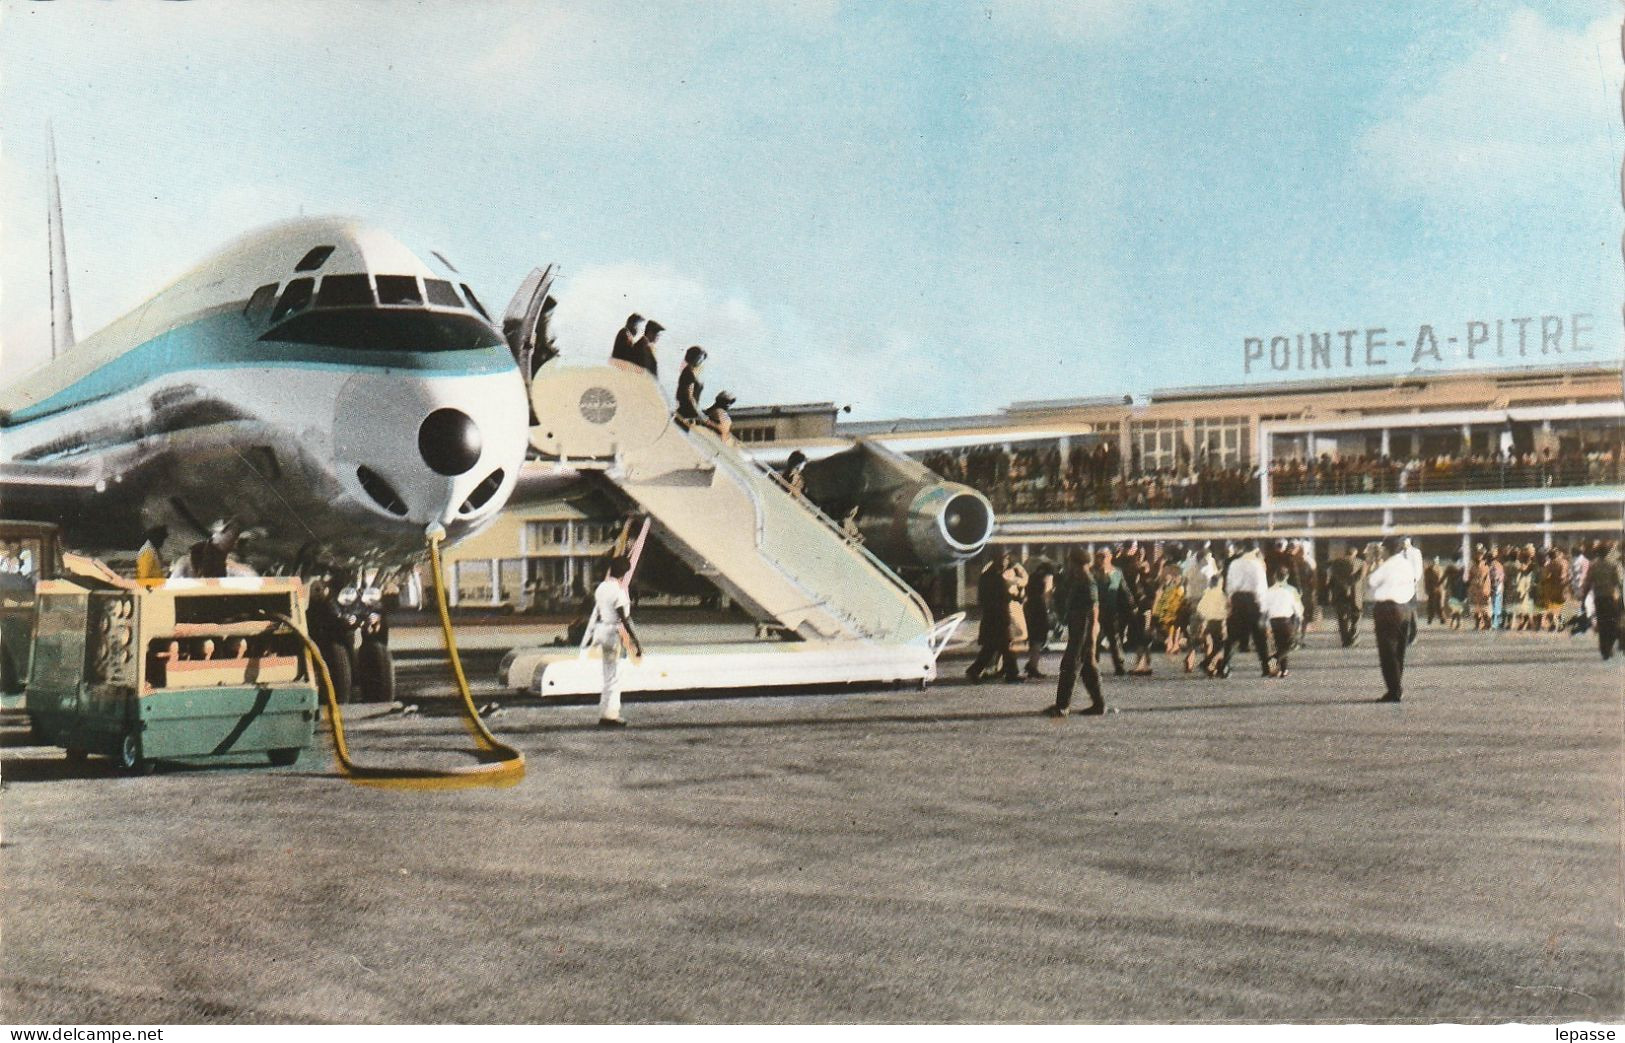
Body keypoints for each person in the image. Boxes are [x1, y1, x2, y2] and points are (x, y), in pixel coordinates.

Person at [1044, 549, 1106, 717]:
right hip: (1078, 628)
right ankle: (1099, 705)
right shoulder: (1079, 580)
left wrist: (1092, 641)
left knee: (1070, 666)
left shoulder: (1088, 581)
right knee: (1087, 668)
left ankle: (1062, 706)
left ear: (1076, 562)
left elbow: (1094, 611)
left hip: (1083, 630)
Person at [592, 556, 644, 727]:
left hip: (602, 630)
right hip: (614, 632)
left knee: (607, 674)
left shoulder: (601, 587)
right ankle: (611, 715)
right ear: (624, 572)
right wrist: (636, 640)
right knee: (615, 676)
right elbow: (625, 618)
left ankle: (604, 712)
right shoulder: (619, 591)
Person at [1367, 536, 1417, 702]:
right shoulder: (1407, 565)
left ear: (1387, 549)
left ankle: (1394, 691)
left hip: (1387, 609)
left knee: (1388, 651)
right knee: (1399, 651)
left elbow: (1372, 580)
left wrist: (1375, 564)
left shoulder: (1388, 565)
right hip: (1405, 609)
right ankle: (1397, 686)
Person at [967, 550, 1021, 683]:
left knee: (993, 647)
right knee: (1003, 646)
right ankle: (1011, 674)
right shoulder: (993, 577)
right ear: (996, 560)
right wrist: (1014, 596)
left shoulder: (991, 575)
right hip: (997, 617)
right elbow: (998, 596)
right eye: (1003, 559)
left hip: (995, 617)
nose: (1005, 562)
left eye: (1006, 559)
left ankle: (976, 671)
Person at [1223, 540, 1269, 676]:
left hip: (1237, 600)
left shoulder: (1234, 563)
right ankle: (1266, 667)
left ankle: (1224, 666)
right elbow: (1260, 587)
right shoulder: (1257, 565)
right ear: (1255, 550)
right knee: (1260, 638)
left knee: (1231, 637)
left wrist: (1230, 601)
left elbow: (1229, 585)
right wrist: (1262, 606)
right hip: (1252, 601)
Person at [1579, 540, 1622, 660]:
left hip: (1599, 598)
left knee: (1602, 624)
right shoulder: (1613, 565)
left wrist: (1583, 600)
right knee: (1612, 624)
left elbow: (1587, 583)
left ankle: (1604, 649)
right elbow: (1618, 583)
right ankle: (1608, 647)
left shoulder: (1593, 565)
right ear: (1608, 552)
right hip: (1611, 598)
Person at [1260, 568, 1304, 678]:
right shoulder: (1291, 591)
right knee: (1290, 645)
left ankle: (1284, 670)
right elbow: (1298, 608)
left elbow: (1263, 609)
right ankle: (1272, 660)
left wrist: (1266, 624)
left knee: (1280, 645)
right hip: (1286, 621)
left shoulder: (1268, 591)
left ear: (1275, 577)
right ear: (1287, 576)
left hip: (1272, 621)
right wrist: (1300, 618)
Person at [1093, 547, 1128, 676]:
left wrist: (1132, 605)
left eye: (1104, 556)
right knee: (1094, 639)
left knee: (1114, 639)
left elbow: (1124, 591)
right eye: (1099, 556)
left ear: (1110, 557)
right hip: (1096, 611)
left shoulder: (1117, 572)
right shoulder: (1092, 572)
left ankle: (1119, 665)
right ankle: (1093, 666)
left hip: (1112, 612)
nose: (1101, 559)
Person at [170, 520, 239, 578]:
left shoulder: (230, 558)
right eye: (229, 535)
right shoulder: (199, 550)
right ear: (216, 535)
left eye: (233, 537)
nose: (231, 540)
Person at [1326, 545, 1365, 647]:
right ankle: (1354, 638)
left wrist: (1331, 590)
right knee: (1356, 615)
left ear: (1346, 553)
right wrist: (1350, 584)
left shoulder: (1336, 562)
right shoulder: (1361, 563)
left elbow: (1331, 578)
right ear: (1355, 553)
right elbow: (1361, 577)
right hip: (1355, 593)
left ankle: (1345, 639)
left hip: (1339, 592)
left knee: (1342, 617)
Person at [1023, 557, 1055, 679]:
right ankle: (1033, 667)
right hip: (1039, 608)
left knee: (1033, 638)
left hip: (1029, 607)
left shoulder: (1032, 577)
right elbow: (1047, 595)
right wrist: (1049, 611)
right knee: (1039, 638)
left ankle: (1032, 663)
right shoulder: (1046, 578)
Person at [1193, 573, 1230, 677]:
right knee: (1221, 646)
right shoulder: (1221, 595)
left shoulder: (1207, 594)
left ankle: (1218, 668)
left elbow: (1200, 609)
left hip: (1209, 622)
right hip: (1219, 622)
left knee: (1216, 646)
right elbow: (1225, 610)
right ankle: (1208, 664)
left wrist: (1205, 619)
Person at [675, 346, 707, 425]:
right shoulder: (689, 373)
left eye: (702, 358)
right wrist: (700, 414)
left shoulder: (692, 372)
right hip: (686, 413)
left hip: (690, 412)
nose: (701, 360)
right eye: (699, 357)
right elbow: (689, 396)